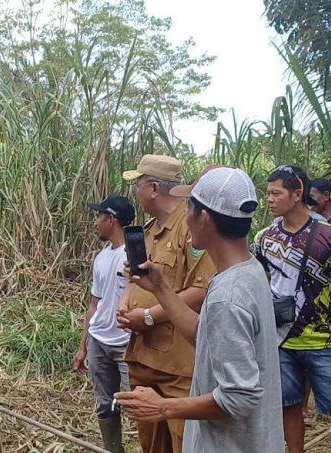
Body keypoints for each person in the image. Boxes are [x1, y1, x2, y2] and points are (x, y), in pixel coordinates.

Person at [115, 167, 284, 452]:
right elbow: (203, 335)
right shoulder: (248, 271)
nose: (185, 215)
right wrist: (160, 288)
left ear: (203, 218)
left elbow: (239, 397)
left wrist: (164, 407)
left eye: (188, 206)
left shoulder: (227, 298)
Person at [116, 155, 215, 453]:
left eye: (138, 184)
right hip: (144, 356)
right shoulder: (147, 231)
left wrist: (146, 316)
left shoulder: (191, 229)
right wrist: (125, 303)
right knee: (151, 444)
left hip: (178, 364)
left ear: (154, 188)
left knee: (185, 442)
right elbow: (137, 277)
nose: (135, 191)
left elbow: (201, 291)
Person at [254, 165, 331, 453]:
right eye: (267, 193)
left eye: (276, 193)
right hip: (281, 341)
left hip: (325, 341)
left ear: (297, 194)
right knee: (289, 407)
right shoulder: (264, 239)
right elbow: (259, 284)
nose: (269, 199)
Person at [73, 195, 135, 453]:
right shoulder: (101, 257)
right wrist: (83, 346)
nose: (95, 222)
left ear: (112, 219)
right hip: (99, 340)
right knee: (104, 403)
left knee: (137, 404)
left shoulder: (134, 254)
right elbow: (94, 304)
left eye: (99, 217)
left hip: (127, 344)